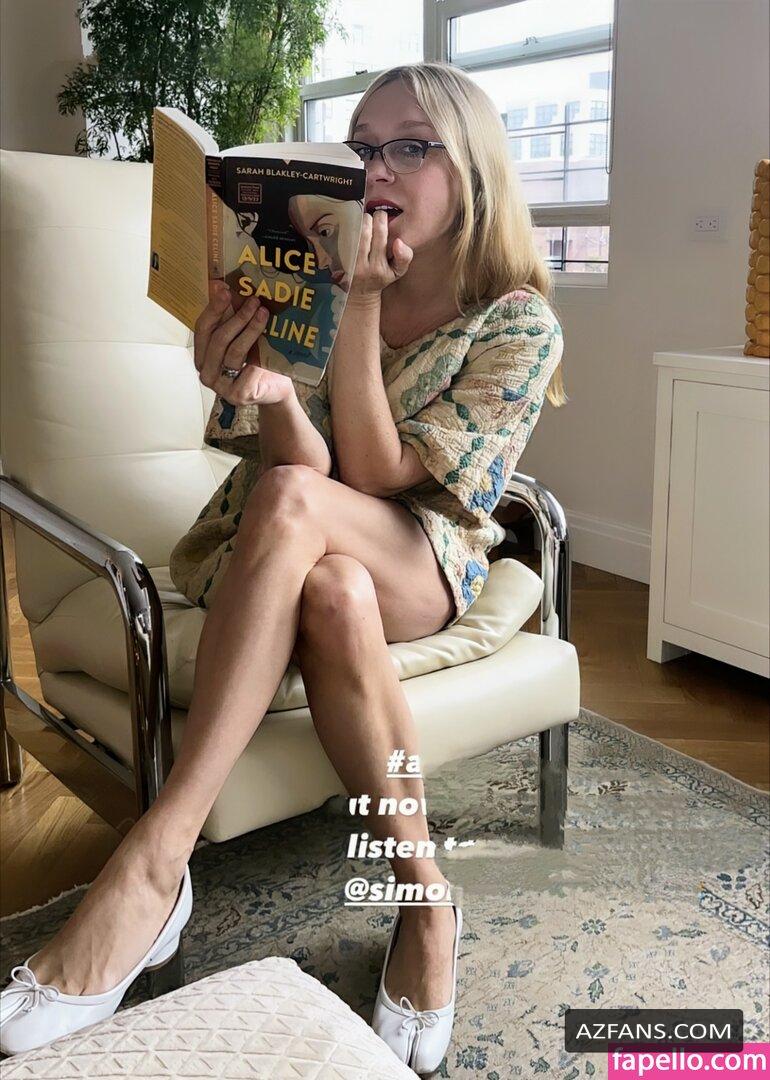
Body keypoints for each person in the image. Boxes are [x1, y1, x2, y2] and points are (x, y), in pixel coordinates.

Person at [0, 61, 566, 1072]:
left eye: (409, 146)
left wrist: (357, 307)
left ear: (472, 171)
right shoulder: (299, 276)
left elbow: (380, 479)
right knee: (327, 578)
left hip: (421, 560)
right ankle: (425, 901)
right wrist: (262, 390)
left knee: (306, 513)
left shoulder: (515, 321)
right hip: (307, 551)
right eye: (359, 147)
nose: (375, 168)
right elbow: (302, 471)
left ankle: (156, 860)